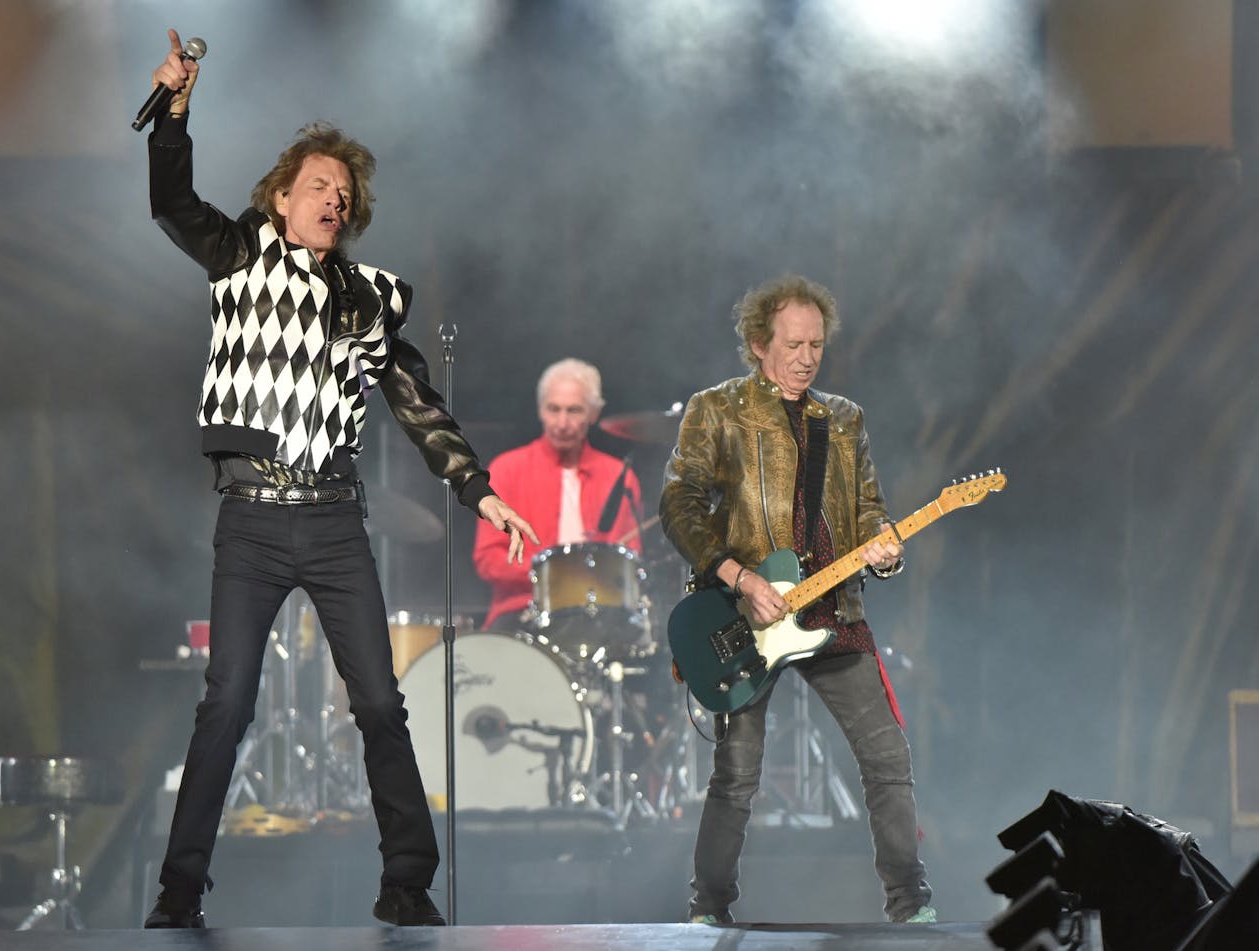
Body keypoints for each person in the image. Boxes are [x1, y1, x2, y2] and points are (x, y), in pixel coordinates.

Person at [141, 30, 539, 929]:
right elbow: (170, 200)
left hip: (330, 520)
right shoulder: (237, 256)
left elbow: (416, 404)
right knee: (228, 702)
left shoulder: (364, 300)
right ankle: (178, 888)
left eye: (344, 192)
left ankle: (408, 881)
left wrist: (480, 489)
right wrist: (174, 107)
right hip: (249, 518)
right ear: (280, 197)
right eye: (317, 184)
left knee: (379, 701)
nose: (334, 197)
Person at [658, 274, 935, 924]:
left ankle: (911, 904)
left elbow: (870, 513)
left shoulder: (844, 418)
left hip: (832, 608)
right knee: (737, 772)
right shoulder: (717, 409)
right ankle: (710, 908)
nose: (807, 356)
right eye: (794, 342)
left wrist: (886, 552)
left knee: (887, 755)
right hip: (746, 611)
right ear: (760, 343)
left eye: (817, 343)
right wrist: (738, 577)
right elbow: (679, 502)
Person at [472, 358, 641, 631]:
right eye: (554, 409)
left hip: (597, 614)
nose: (562, 423)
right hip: (520, 612)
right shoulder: (506, 470)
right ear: (540, 410)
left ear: (594, 414)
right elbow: (488, 559)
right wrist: (551, 573)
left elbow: (627, 561)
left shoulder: (619, 477)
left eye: (574, 411)